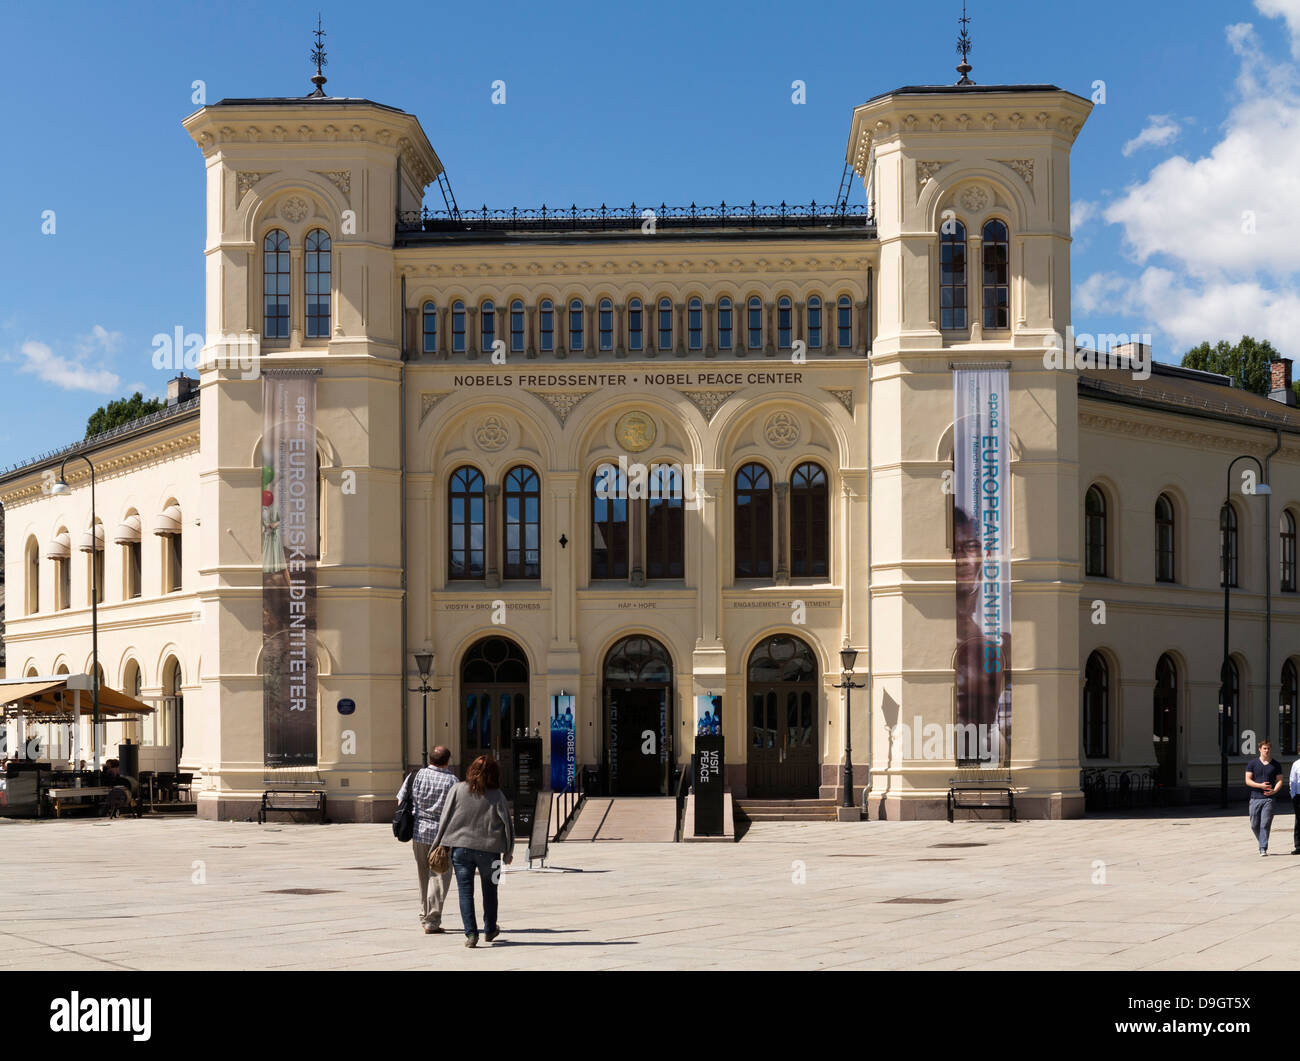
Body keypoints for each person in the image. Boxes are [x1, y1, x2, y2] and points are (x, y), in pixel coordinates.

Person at [430, 754, 514, 948]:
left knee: (465, 892)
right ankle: (490, 928)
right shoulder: (497, 794)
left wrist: (437, 844)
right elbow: (508, 826)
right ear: (495, 773)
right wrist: (508, 852)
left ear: (471, 770)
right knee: (491, 891)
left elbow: (445, 817)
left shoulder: (457, 789)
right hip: (491, 851)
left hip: (461, 850)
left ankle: (471, 934)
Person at [396, 746, 457, 934]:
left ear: (430, 759)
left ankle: (424, 914)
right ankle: (432, 920)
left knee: (423, 874)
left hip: (419, 832)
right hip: (442, 836)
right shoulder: (452, 781)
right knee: (439, 876)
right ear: (447, 761)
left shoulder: (415, 776)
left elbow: (400, 801)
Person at [1246, 739, 1285, 855]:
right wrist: (1260, 785)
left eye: (1268, 748)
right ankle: (1261, 842)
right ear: (1260, 749)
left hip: (1269, 799)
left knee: (1265, 824)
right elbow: (1247, 780)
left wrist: (1274, 791)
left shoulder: (1276, 764)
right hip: (1255, 798)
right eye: (1264, 748)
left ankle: (1263, 848)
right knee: (1254, 825)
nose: (1267, 750)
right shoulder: (1252, 763)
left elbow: (1280, 780)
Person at [1290, 747, 1300, 856]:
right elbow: (1292, 780)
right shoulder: (1296, 764)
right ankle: (1298, 846)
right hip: (1298, 796)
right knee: (1298, 821)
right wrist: (1293, 796)